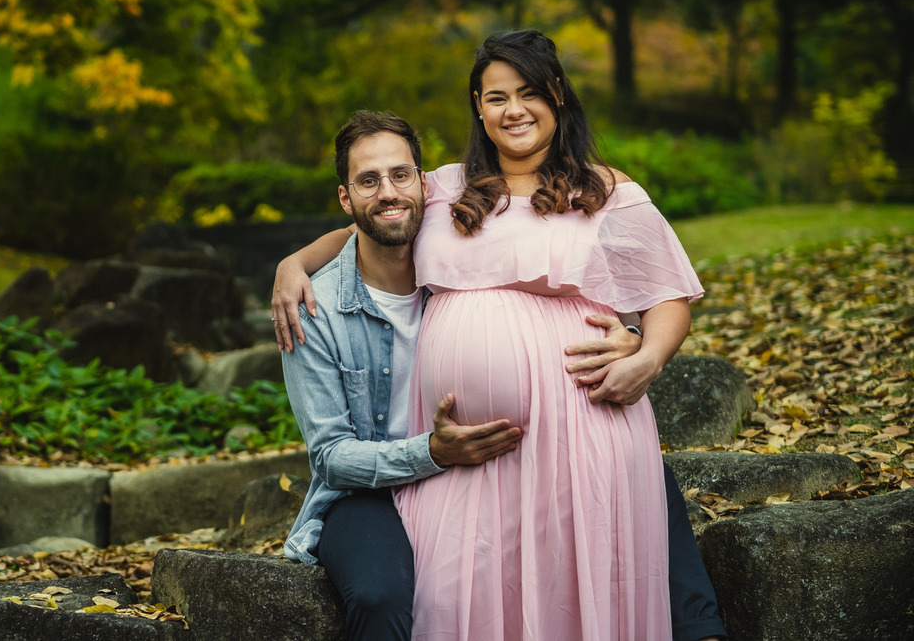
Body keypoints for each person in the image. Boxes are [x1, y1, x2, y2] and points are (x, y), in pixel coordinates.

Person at [276, 102, 724, 640]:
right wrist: (293, 267)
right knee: (381, 594)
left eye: (399, 176)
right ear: (346, 198)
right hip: (378, 485)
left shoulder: (443, 234)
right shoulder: (315, 310)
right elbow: (331, 457)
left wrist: (635, 340)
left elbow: (563, 269)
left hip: (490, 462)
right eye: (367, 181)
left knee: (631, 468)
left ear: (424, 183)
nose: (388, 193)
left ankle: (699, 627)